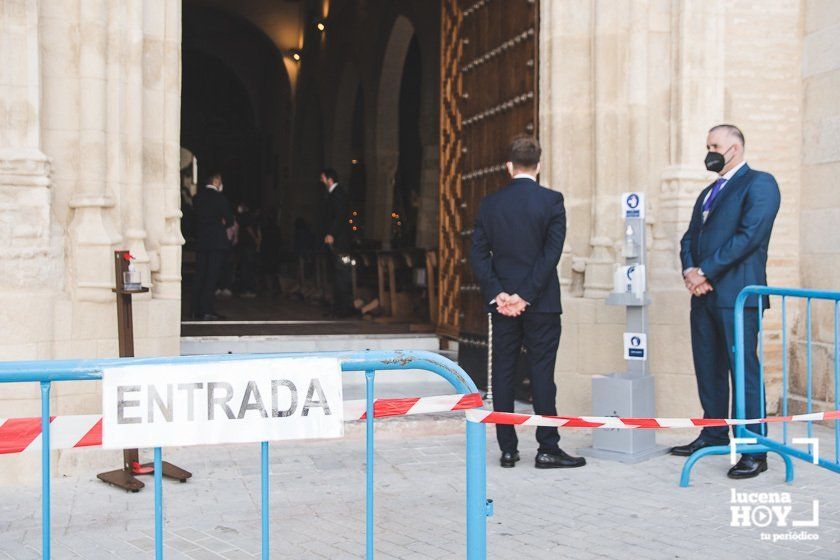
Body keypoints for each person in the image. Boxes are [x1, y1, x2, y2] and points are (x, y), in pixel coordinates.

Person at [672, 124, 781, 480]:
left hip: (737, 296)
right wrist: (690, 270)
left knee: (744, 371)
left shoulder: (760, 183)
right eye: (707, 146)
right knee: (708, 367)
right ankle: (713, 433)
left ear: (734, 148)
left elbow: (749, 236)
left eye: (714, 145)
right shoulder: (707, 192)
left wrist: (706, 271)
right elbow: (690, 236)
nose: (709, 152)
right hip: (703, 297)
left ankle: (753, 448)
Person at [470, 135, 586, 470]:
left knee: (503, 375)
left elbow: (478, 254)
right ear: (539, 166)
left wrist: (500, 294)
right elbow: (551, 254)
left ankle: (508, 450)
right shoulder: (552, 201)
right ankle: (548, 448)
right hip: (542, 303)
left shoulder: (490, 204)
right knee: (542, 376)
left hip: (503, 305)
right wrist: (527, 295)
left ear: (509, 166)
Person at [191, 171, 234, 320]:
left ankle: (195, 309)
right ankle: (206, 310)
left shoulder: (197, 198)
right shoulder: (220, 198)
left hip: (202, 241)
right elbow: (229, 220)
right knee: (211, 277)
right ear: (216, 182)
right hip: (216, 242)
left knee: (200, 275)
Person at [319, 168, 356, 318]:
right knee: (337, 274)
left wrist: (331, 234)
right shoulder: (332, 194)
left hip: (340, 241)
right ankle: (338, 308)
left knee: (342, 274)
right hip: (336, 240)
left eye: (322, 178)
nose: (321, 181)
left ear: (330, 179)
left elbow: (340, 216)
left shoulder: (338, 194)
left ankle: (344, 309)